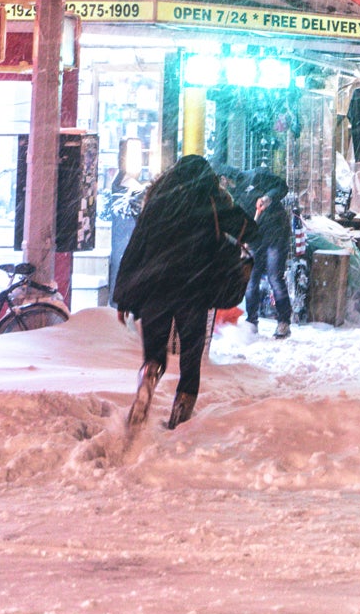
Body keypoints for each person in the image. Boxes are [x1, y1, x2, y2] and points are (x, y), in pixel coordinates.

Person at [109, 155, 254, 430]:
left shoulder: (157, 201)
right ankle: (180, 416)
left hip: (155, 287)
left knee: (154, 352)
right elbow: (249, 230)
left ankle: (149, 376)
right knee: (191, 355)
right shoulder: (211, 201)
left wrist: (123, 296)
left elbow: (136, 246)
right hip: (193, 288)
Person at [245, 171, 294, 338]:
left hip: (276, 234)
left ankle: (284, 322)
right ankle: (251, 322)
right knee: (251, 280)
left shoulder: (255, 176)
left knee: (275, 277)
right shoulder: (230, 197)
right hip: (254, 238)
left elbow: (282, 186)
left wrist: (268, 197)